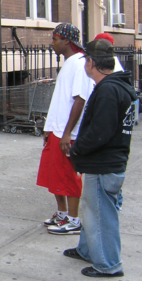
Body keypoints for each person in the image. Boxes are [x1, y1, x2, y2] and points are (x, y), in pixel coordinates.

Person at [65, 39, 137, 277]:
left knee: (100, 213)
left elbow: (100, 132)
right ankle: (87, 250)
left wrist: (76, 150)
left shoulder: (108, 90)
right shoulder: (116, 86)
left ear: (92, 63)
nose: (84, 64)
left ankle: (108, 264)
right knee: (92, 209)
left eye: (86, 60)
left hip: (104, 164)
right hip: (109, 162)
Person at [37, 23, 94, 235]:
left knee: (68, 176)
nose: (52, 43)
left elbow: (80, 99)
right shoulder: (70, 63)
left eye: (55, 39)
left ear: (66, 41)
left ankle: (74, 219)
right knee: (54, 175)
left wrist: (68, 133)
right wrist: (48, 127)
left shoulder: (80, 64)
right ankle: (61, 213)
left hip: (66, 132)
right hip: (56, 129)